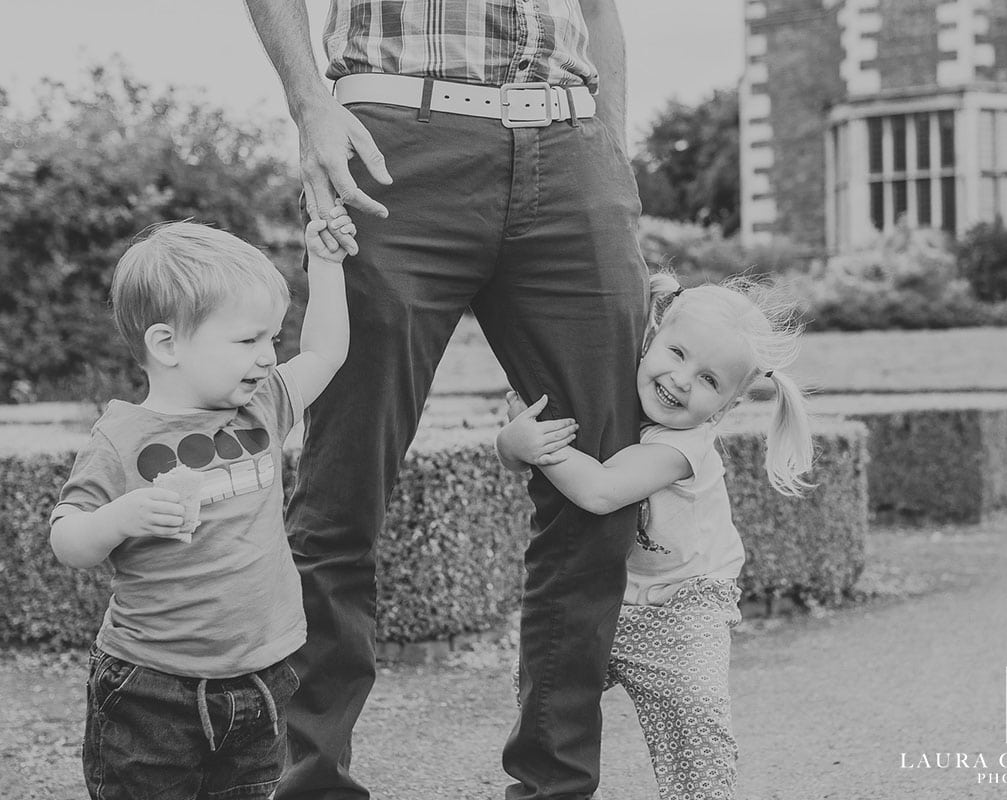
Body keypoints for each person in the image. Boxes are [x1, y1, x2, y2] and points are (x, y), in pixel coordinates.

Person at [243, 2, 647, 798]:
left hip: (572, 144)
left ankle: (554, 787)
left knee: (599, 487)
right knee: (341, 496)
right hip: (395, 138)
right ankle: (313, 785)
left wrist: (613, 148)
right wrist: (308, 103)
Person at [49, 213, 356, 799]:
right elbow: (68, 539)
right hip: (152, 690)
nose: (269, 357)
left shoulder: (264, 407)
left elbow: (326, 352)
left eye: (272, 337)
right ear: (166, 345)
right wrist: (120, 519)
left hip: (263, 677)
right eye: (248, 341)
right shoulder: (122, 439)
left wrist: (327, 265)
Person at [496, 272, 815, 800]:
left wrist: (538, 448)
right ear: (650, 338)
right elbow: (515, 458)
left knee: (695, 723)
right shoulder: (611, 393)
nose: (683, 380)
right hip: (611, 597)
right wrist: (512, 441)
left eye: (710, 380)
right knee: (540, 687)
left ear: (727, 407)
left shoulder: (684, 447)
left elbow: (599, 491)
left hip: (683, 609)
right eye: (677, 353)